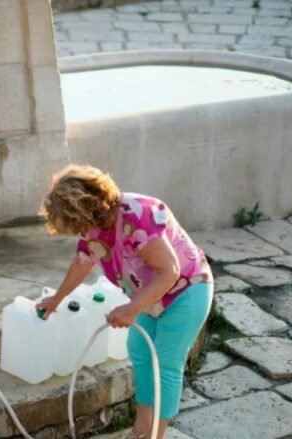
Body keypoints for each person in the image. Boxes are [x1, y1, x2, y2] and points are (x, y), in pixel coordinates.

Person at [35, 165, 213, 439]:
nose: (78, 232)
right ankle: (142, 428)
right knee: (140, 353)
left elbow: (170, 271)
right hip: (148, 295)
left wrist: (132, 308)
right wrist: (56, 299)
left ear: (87, 210)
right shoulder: (93, 227)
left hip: (186, 291)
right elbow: (83, 263)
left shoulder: (137, 215)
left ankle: (156, 435)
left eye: (76, 224)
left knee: (165, 364)